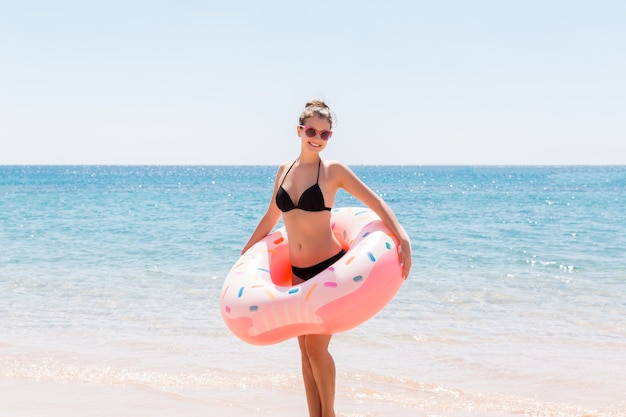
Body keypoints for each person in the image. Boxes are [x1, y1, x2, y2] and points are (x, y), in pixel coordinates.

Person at [241, 99, 412, 417]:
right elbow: (270, 219)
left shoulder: (333, 171)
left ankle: (329, 414)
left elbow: (375, 203)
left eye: (325, 133)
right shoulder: (285, 170)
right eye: (311, 130)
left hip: (328, 268)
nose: (317, 137)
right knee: (304, 352)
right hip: (297, 273)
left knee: (317, 349)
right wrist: (244, 256)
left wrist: (401, 236)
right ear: (299, 130)